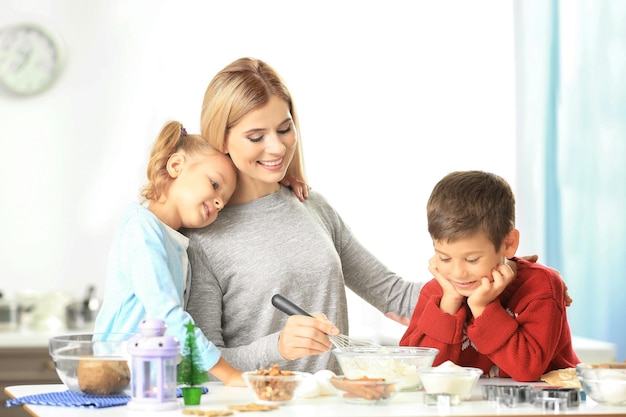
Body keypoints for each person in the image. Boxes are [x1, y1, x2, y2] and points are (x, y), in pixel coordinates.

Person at [94, 121, 245, 386]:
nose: (220, 202)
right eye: (214, 184)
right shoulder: (141, 228)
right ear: (176, 166)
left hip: (151, 376)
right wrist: (229, 374)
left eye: (224, 202)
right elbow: (166, 313)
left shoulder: (175, 241)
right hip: (118, 373)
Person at [399, 170, 580, 382]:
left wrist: (483, 309)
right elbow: (414, 371)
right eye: (445, 258)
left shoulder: (541, 286)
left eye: (472, 259)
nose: (457, 273)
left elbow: (527, 369)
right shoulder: (438, 293)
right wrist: (449, 304)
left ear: (508, 244)